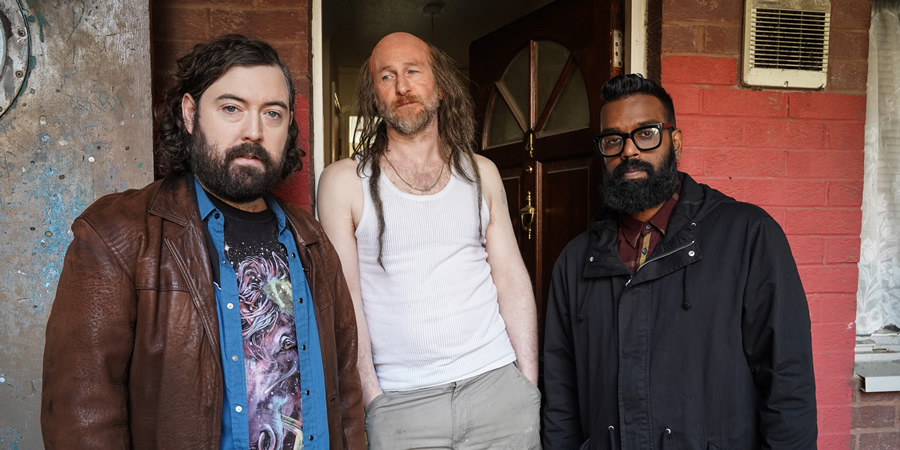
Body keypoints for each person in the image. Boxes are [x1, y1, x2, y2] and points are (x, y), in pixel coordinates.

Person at [41, 35, 365, 450]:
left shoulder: (310, 237)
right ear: (191, 114)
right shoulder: (117, 234)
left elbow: (345, 389)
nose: (254, 131)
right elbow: (80, 415)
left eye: (273, 113)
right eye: (232, 108)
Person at [542, 74, 817, 449]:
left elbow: (788, 381)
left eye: (646, 133)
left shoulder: (748, 236)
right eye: (613, 140)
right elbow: (560, 396)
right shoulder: (575, 262)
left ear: (676, 140)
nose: (629, 151)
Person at [317, 32, 540, 449]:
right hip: (401, 405)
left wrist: (527, 384)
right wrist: (374, 401)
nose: (402, 87)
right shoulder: (343, 182)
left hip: (498, 392)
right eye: (386, 77)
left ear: (439, 83)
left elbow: (511, 280)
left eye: (413, 71)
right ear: (374, 95)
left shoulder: (482, 173)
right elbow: (345, 303)